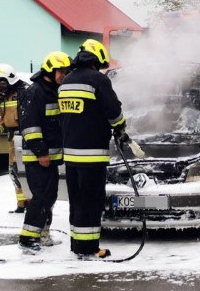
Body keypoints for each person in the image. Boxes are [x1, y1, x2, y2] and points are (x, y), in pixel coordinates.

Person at [59, 39, 132, 259]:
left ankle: (77, 245)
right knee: (92, 202)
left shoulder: (66, 81)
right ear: (97, 60)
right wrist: (120, 129)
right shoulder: (98, 80)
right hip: (92, 155)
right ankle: (90, 248)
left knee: (77, 201)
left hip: (70, 155)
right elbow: (113, 111)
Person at [18, 51, 71, 252]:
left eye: (65, 71)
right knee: (40, 197)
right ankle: (28, 238)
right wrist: (41, 152)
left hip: (50, 157)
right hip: (39, 157)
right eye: (61, 71)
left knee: (49, 196)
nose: (63, 75)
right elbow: (30, 126)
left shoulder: (52, 90)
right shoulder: (36, 92)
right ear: (50, 70)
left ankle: (42, 234)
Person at [0, 64, 29, 213]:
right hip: (12, 140)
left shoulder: (25, 92)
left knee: (27, 173)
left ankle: (33, 204)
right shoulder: (3, 97)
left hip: (27, 138)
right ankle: (21, 205)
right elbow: (0, 120)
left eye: (2, 83)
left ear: (10, 80)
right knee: (14, 172)